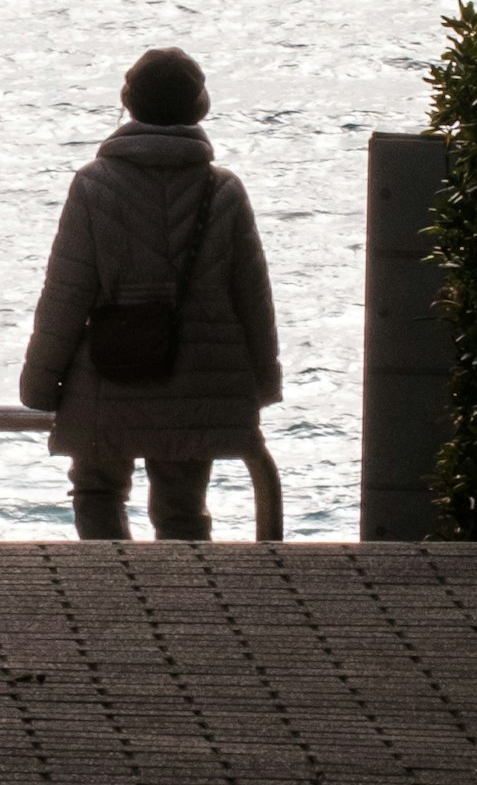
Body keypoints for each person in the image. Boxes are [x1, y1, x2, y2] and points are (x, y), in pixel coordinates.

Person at [19, 45, 281, 542]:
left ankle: (113, 595)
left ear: (128, 101)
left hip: (109, 374)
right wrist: (263, 380)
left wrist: (40, 382)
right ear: (200, 107)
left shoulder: (94, 184)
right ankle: (184, 602)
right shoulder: (224, 189)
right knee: (183, 506)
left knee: (97, 490)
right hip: (198, 380)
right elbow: (253, 297)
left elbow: (66, 292)